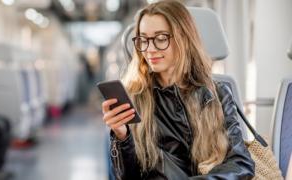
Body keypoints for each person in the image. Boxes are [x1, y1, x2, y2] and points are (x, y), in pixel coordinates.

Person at [101, 0, 255, 179]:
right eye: (143, 39)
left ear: (183, 38)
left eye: (160, 39)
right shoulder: (133, 96)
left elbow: (241, 164)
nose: (149, 49)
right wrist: (122, 137)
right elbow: (129, 177)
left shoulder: (217, 94)